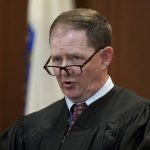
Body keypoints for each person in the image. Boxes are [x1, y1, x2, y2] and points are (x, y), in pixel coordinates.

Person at [0, 8, 150, 150]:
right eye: (57, 59)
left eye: (75, 58)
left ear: (105, 57)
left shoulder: (138, 122)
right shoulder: (31, 127)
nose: (64, 71)